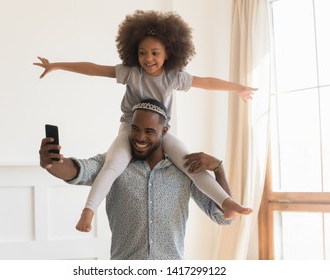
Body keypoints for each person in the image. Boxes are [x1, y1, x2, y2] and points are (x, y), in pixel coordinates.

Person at [34, 10, 255, 232]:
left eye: (154, 53)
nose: (148, 59)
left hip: (162, 134)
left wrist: (238, 89)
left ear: (168, 54)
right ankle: (88, 212)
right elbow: (94, 69)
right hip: (128, 129)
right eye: (142, 53)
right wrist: (57, 65)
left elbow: (206, 82)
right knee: (112, 166)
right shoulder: (132, 73)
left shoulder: (173, 77)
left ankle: (227, 203)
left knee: (190, 164)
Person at [39, 99, 237, 260]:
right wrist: (52, 164)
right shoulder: (113, 165)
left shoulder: (184, 171)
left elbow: (223, 216)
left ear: (164, 131)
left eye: (149, 131)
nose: (140, 137)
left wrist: (219, 170)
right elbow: (78, 170)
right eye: (135, 129)